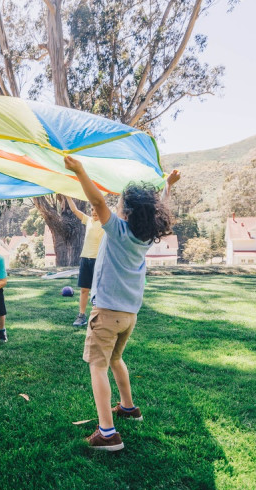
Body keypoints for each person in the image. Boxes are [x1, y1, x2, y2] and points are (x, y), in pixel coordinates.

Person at [64, 155, 179, 451]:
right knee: (115, 360)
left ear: (125, 213)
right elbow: (154, 208)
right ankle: (128, 407)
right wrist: (167, 186)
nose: (113, 208)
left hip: (107, 314)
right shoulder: (143, 236)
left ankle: (107, 432)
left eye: (119, 206)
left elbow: (98, 203)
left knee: (98, 366)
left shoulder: (118, 231)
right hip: (129, 316)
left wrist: (80, 171)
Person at [64, 196, 105, 327]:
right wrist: (68, 197)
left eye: (96, 209)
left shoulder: (106, 223)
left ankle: (99, 315)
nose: (93, 212)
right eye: (92, 209)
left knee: (99, 291)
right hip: (85, 259)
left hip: (99, 260)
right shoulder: (88, 220)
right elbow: (75, 210)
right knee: (84, 290)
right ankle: (81, 316)